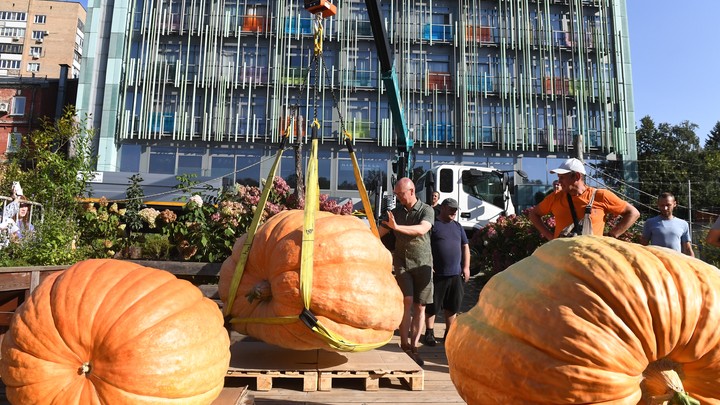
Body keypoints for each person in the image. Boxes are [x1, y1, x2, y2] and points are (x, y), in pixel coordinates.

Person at [378, 177, 434, 366]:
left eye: (400, 194)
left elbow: (421, 229)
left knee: (420, 307)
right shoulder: (394, 213)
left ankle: (414, 346)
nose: (398, 197)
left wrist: (397, 228)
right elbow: (378, 232)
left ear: (411, 191)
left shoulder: (427, 210)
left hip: (423, 264)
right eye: (396, 194)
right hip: (402, 263)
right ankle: (404, 344)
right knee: (407, 301)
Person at [529, 158, 640, 240]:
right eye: (558, 177)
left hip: (591, 258)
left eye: (562, 177)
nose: (559, 181)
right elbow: (533, 214)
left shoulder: (601, 196)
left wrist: (612, 235)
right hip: (563, 257)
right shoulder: (555, 197)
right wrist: (550, 237)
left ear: (577, 176)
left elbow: (633, 213)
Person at [423, 198, 469, 346]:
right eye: (451, 209)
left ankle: (449, 333)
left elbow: (465, 247)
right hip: (437, 273)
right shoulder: (433, 225)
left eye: (455, 209)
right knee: (433, 305)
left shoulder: (458, 226)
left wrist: (466, 267)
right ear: (442, 208)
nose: (454, 212)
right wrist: (429, 263)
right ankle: (429, 333)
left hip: (455, 274)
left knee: (452, 305)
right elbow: (425, 246)